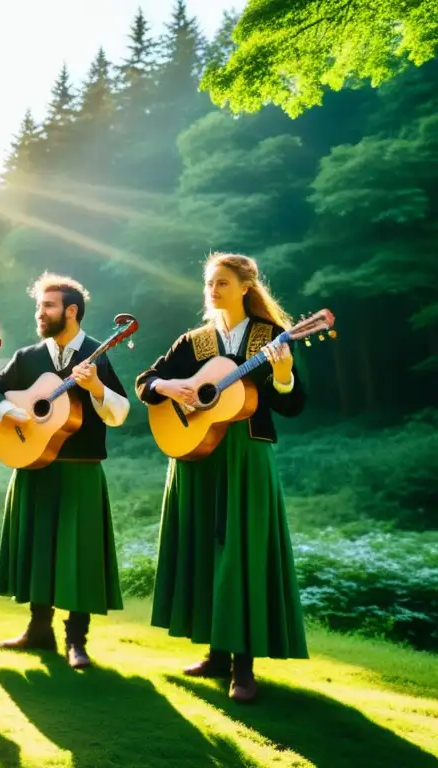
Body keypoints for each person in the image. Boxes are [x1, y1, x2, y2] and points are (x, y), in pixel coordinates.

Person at [135, 252, 308, 702]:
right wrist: (167, 387)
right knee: (202, 551)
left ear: (246, 286)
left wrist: (284, 374)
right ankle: (214, 654)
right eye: (209, 283)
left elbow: (292, 406)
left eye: (222, 283)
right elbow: (145, 380)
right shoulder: (194, 341)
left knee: (240, 556)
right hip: (195, 455)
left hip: (247, 458)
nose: (212, 291)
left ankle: (243, 667)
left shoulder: (272, 338)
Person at [0, 273, 130, 669]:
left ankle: (76, 641)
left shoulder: (97, 354)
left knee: (77, 555)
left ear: (72, 311)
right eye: (38, 306)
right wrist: (10, 411)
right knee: (38, 549)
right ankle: (38, 629)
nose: (40, 313)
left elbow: (120, 412)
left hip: (80, 469)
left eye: (48, 306)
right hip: (34, 465)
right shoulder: (28, 357)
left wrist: (96, 387)